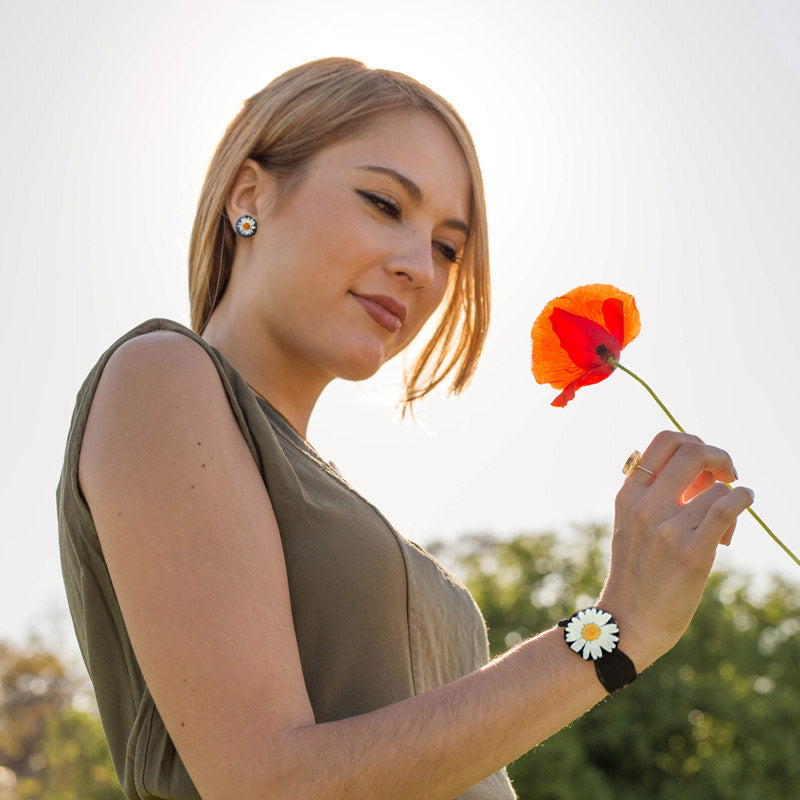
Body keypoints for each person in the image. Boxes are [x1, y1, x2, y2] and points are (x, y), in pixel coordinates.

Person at [57, 57, 754, 800]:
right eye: (385, 203)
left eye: (448, 247)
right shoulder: (161, 376)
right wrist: (614, 632)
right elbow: (265, 785)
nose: (423, 267)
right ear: (249, 195)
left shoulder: (316, 485)